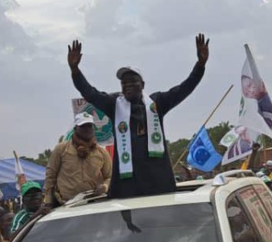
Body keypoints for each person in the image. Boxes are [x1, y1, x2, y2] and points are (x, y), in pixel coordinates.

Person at [67, 34, 209, 198]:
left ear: (142, 85)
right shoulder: (114, 105)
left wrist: (200, 65)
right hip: (128, 185)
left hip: (158, 181)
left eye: (132, 82)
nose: (128, 86)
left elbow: (184, 88)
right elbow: (90, 93)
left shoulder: (157, 103)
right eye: (124, 83)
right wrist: (75, 70)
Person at [45, 112, 112, 206]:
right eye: (83, 126)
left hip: (94, 203)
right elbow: (50, 175)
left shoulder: (102, 152)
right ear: (75, 128)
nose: (87, 129)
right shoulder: (61, 149)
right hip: (65, 205)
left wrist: (104, 187)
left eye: (89, 126)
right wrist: (48, 201)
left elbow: (110, 176)